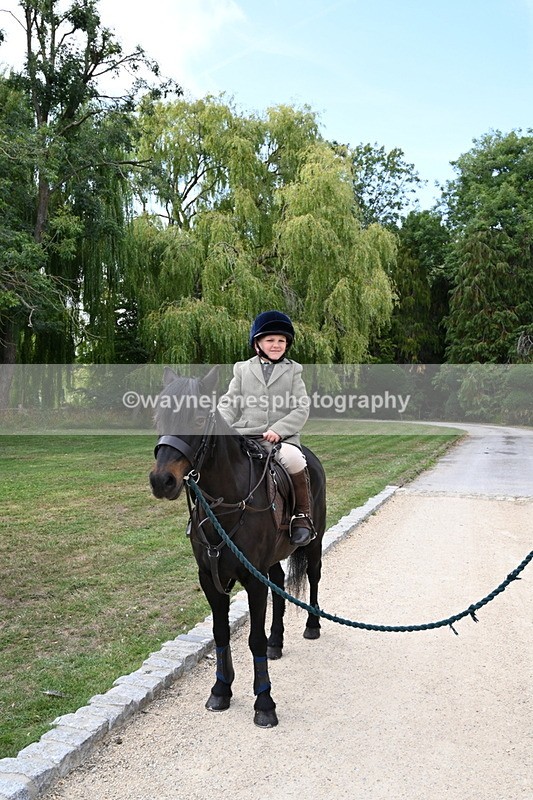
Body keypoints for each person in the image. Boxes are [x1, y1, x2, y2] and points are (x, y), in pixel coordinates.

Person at [217, 310, 315, 547]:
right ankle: (207, 516)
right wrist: (219, 423)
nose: (276, 345)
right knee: (215, 460)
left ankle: (302, 516)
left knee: (294, 459)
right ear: (257, 343)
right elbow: (231, 401)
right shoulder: (242, 369)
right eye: (270, 340)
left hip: (280, 437)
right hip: (246, 433)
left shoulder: (293, 370)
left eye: (281, 341)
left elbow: (301, 408)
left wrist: (280, 430)